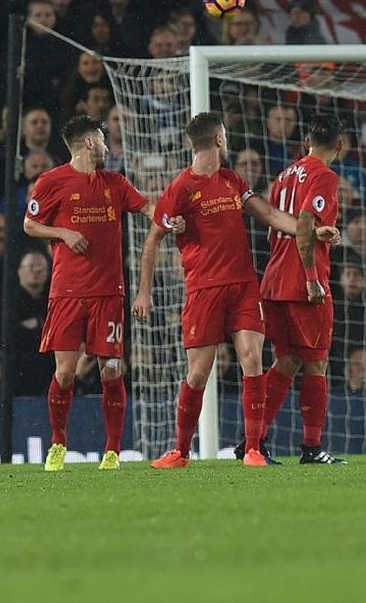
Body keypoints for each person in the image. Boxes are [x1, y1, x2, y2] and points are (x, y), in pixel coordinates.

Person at [133, 112, 337, 469]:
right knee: (198, 372)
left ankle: (254, 449)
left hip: (244, 286)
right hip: (202, 288)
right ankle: (180, 451)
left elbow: (271, 216)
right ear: (218, 141)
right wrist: (143, 293)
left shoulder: (233, 181)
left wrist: (309, 232)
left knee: (253, 359)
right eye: (225, 136)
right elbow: (152, 240)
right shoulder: (180, 189)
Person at [22, 115, 160, 472]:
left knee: (111, 370)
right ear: (88, 143)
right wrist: (64, 234)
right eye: (101, 139)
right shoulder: (52, 181)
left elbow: (147, 209)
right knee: (66, 373)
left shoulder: (115, 183)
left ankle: (112, 450)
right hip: (67, 292)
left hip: (108, 292)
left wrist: (170, 218)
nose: (106, 145)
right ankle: (57, 443)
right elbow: (29, 224)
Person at [250, 114, 349, 465]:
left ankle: (254, 441)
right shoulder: (325, 175)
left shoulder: (284, 175)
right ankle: (311, 447)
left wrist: (318, 235)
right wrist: (311, 277)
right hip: (302, 283)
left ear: (306, 141)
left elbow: (276, 226)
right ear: (340, 145)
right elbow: (305, 223)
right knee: (316, 363)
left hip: (274, 281)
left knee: (287, 360)